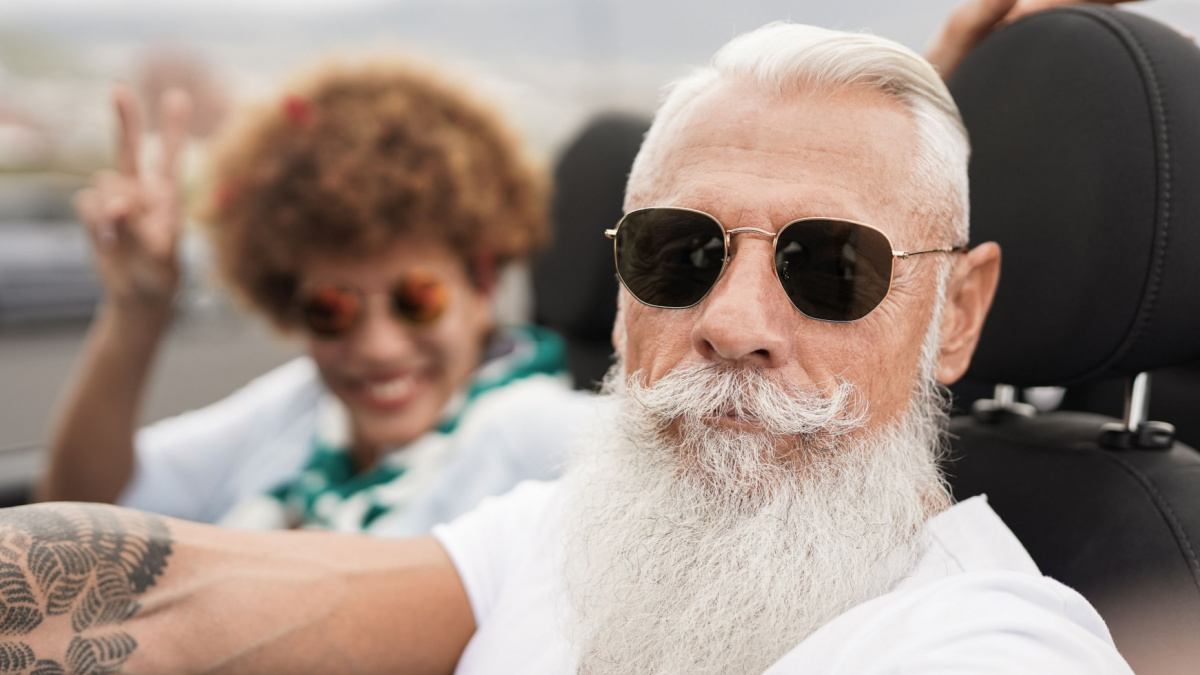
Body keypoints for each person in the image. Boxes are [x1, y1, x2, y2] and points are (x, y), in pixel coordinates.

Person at [0, 2, 1141, 673]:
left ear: (960, 316)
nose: (734, 324)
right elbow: (171, 598)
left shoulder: (988, 641)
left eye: (833, 267)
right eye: (678, 255)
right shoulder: (575, 527)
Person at [37, 57, 594, 535]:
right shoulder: (300, 410)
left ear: (483, 285)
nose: (378, 347)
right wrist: (137, 312)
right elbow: (83, 506)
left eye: (416, 299)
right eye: (332, 310)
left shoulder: (545, 437)